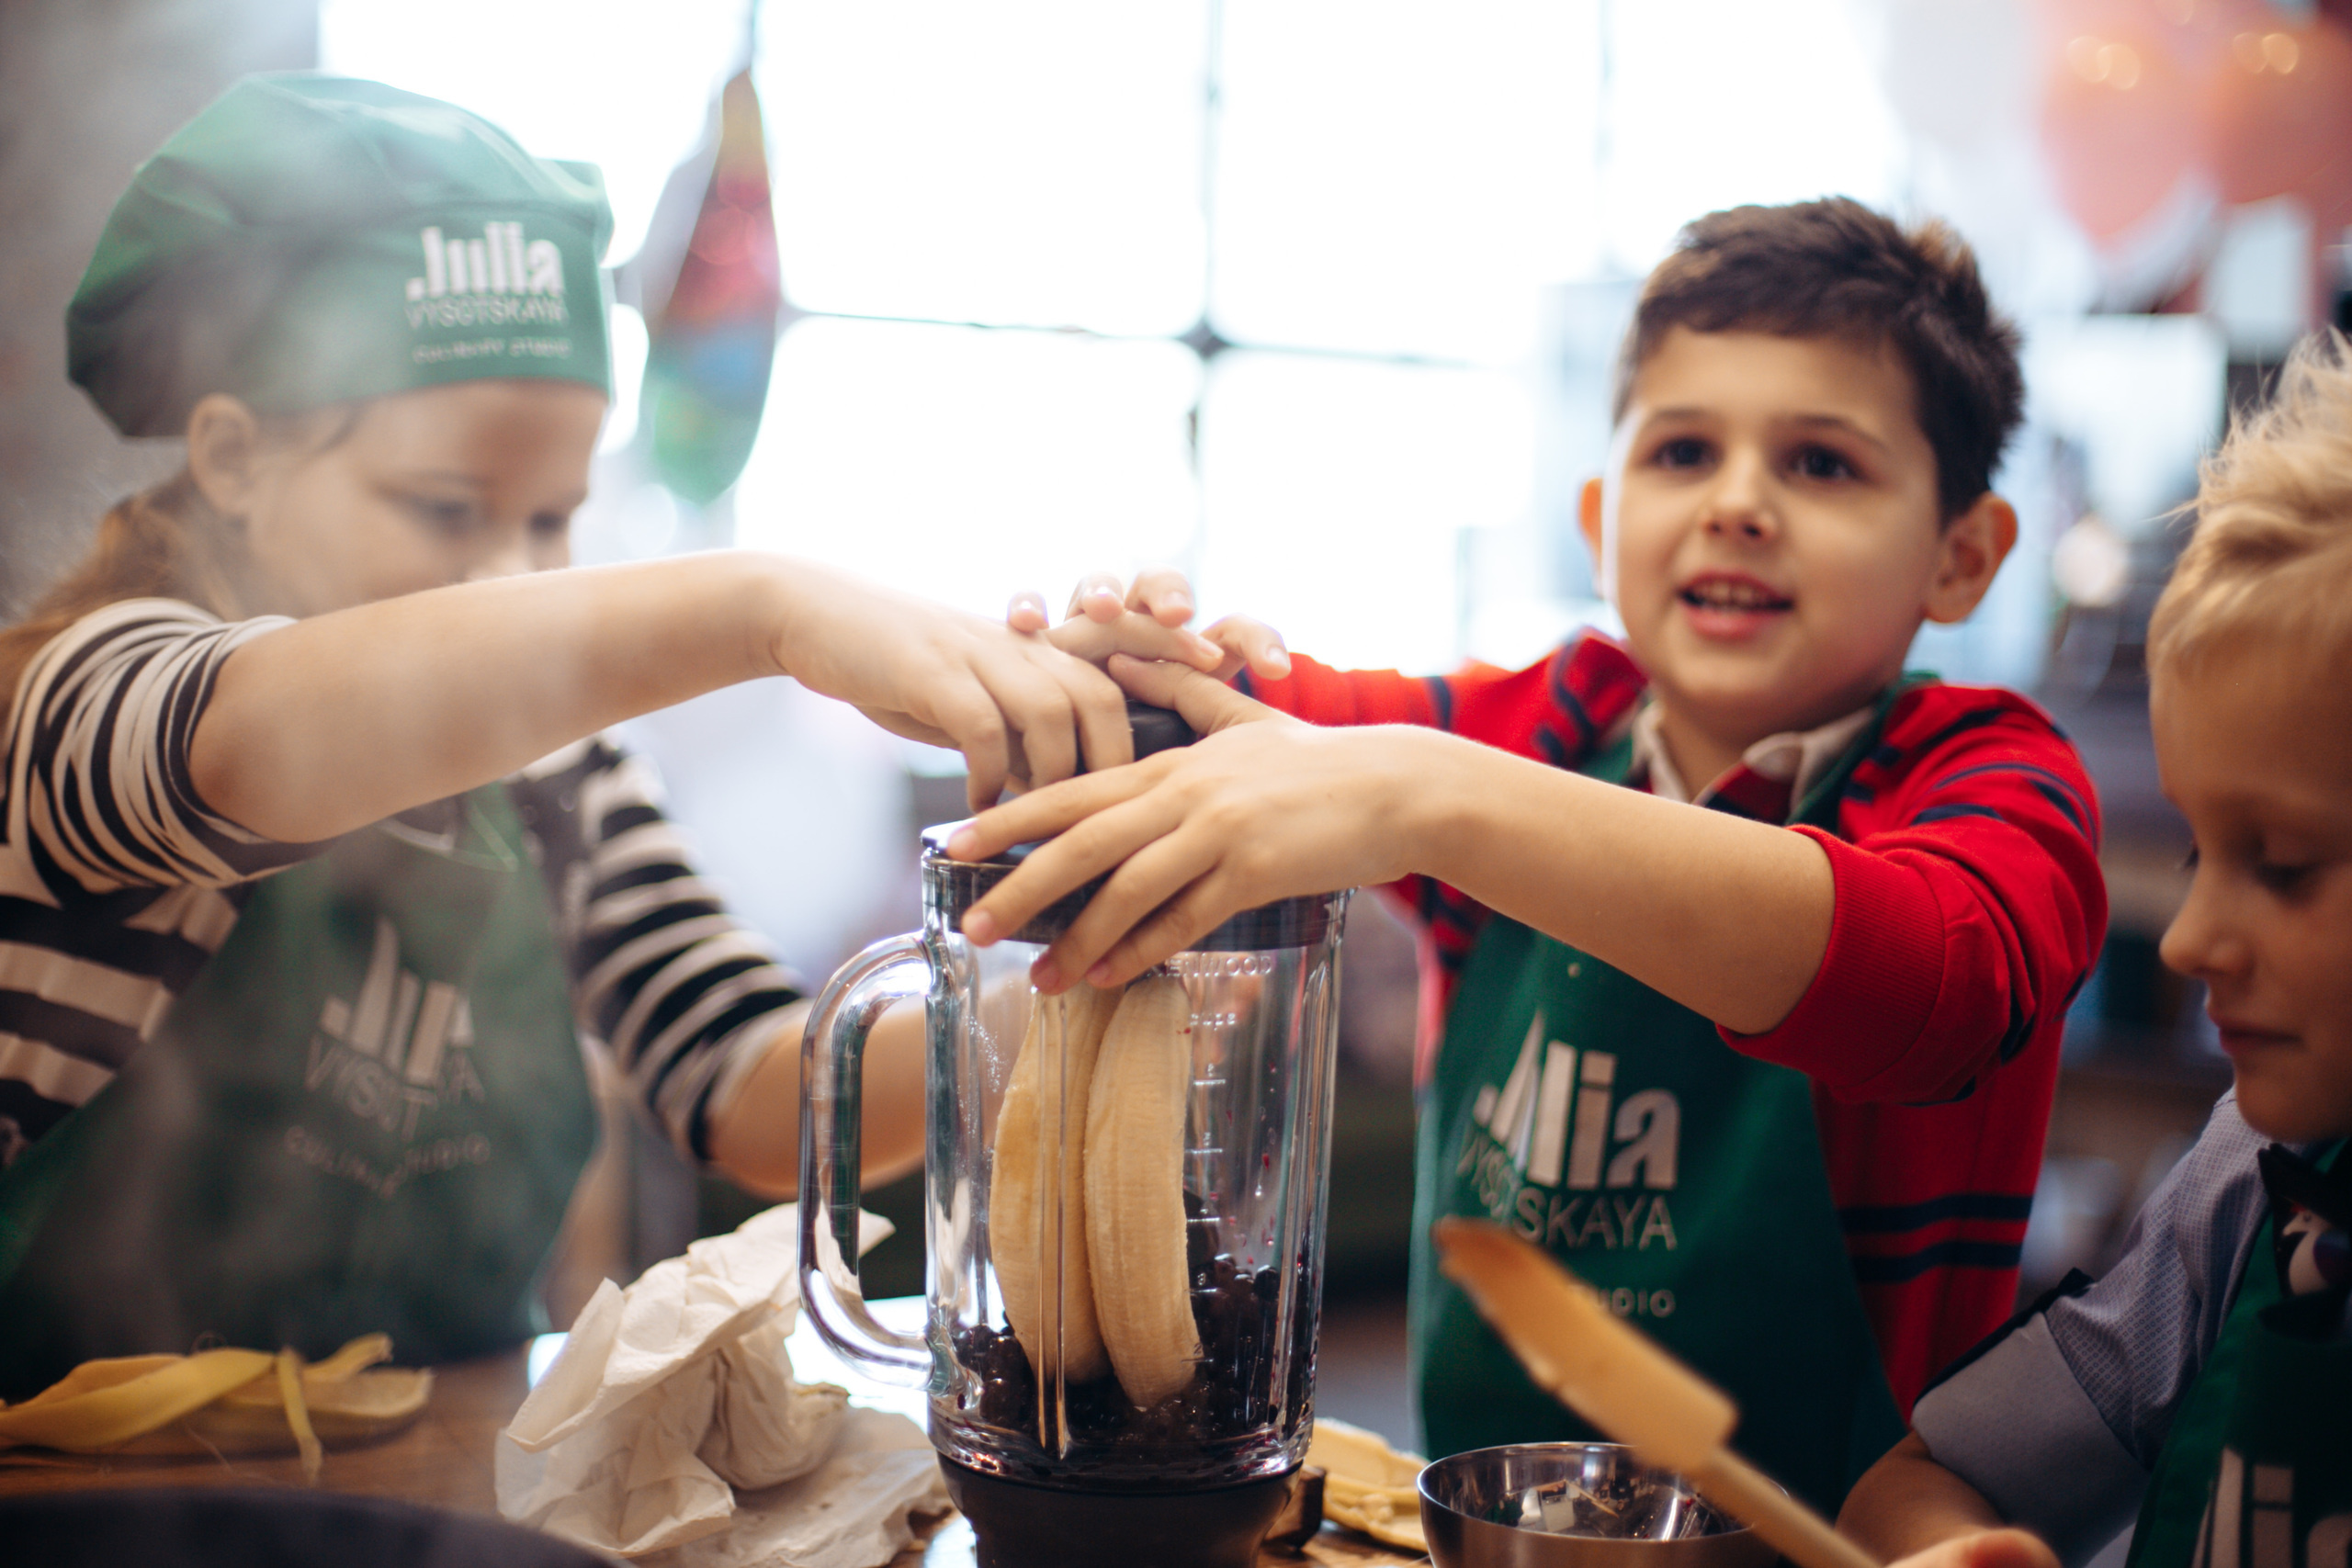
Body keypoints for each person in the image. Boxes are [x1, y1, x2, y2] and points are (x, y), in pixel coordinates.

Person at [0, 74, 1214, 1400]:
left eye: (554, 515)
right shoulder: (86, 699)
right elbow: (254, 745)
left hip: (441, 1484)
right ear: (233, 459)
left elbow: (756, 1091)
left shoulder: (557, 784)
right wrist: (765, 605)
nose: (515, 576)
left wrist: (1081, 943)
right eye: (447, 505)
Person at [957, 198, 2109, 1510]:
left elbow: (1932, 987)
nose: (1738, 503)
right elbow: (1265, 733)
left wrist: (1439, 798)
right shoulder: (1540, 726)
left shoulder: (1993, 775)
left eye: (1822, 465)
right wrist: (1139, 676)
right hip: (1482, 1530)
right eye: (1683, 452)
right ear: (1599, 511)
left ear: (1963, 557)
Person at [1837, 332, 2352, 1568]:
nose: (2186, 939)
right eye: (2196, 858)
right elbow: (1918, 1488)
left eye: (2280, 864)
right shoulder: (2247, 1186)